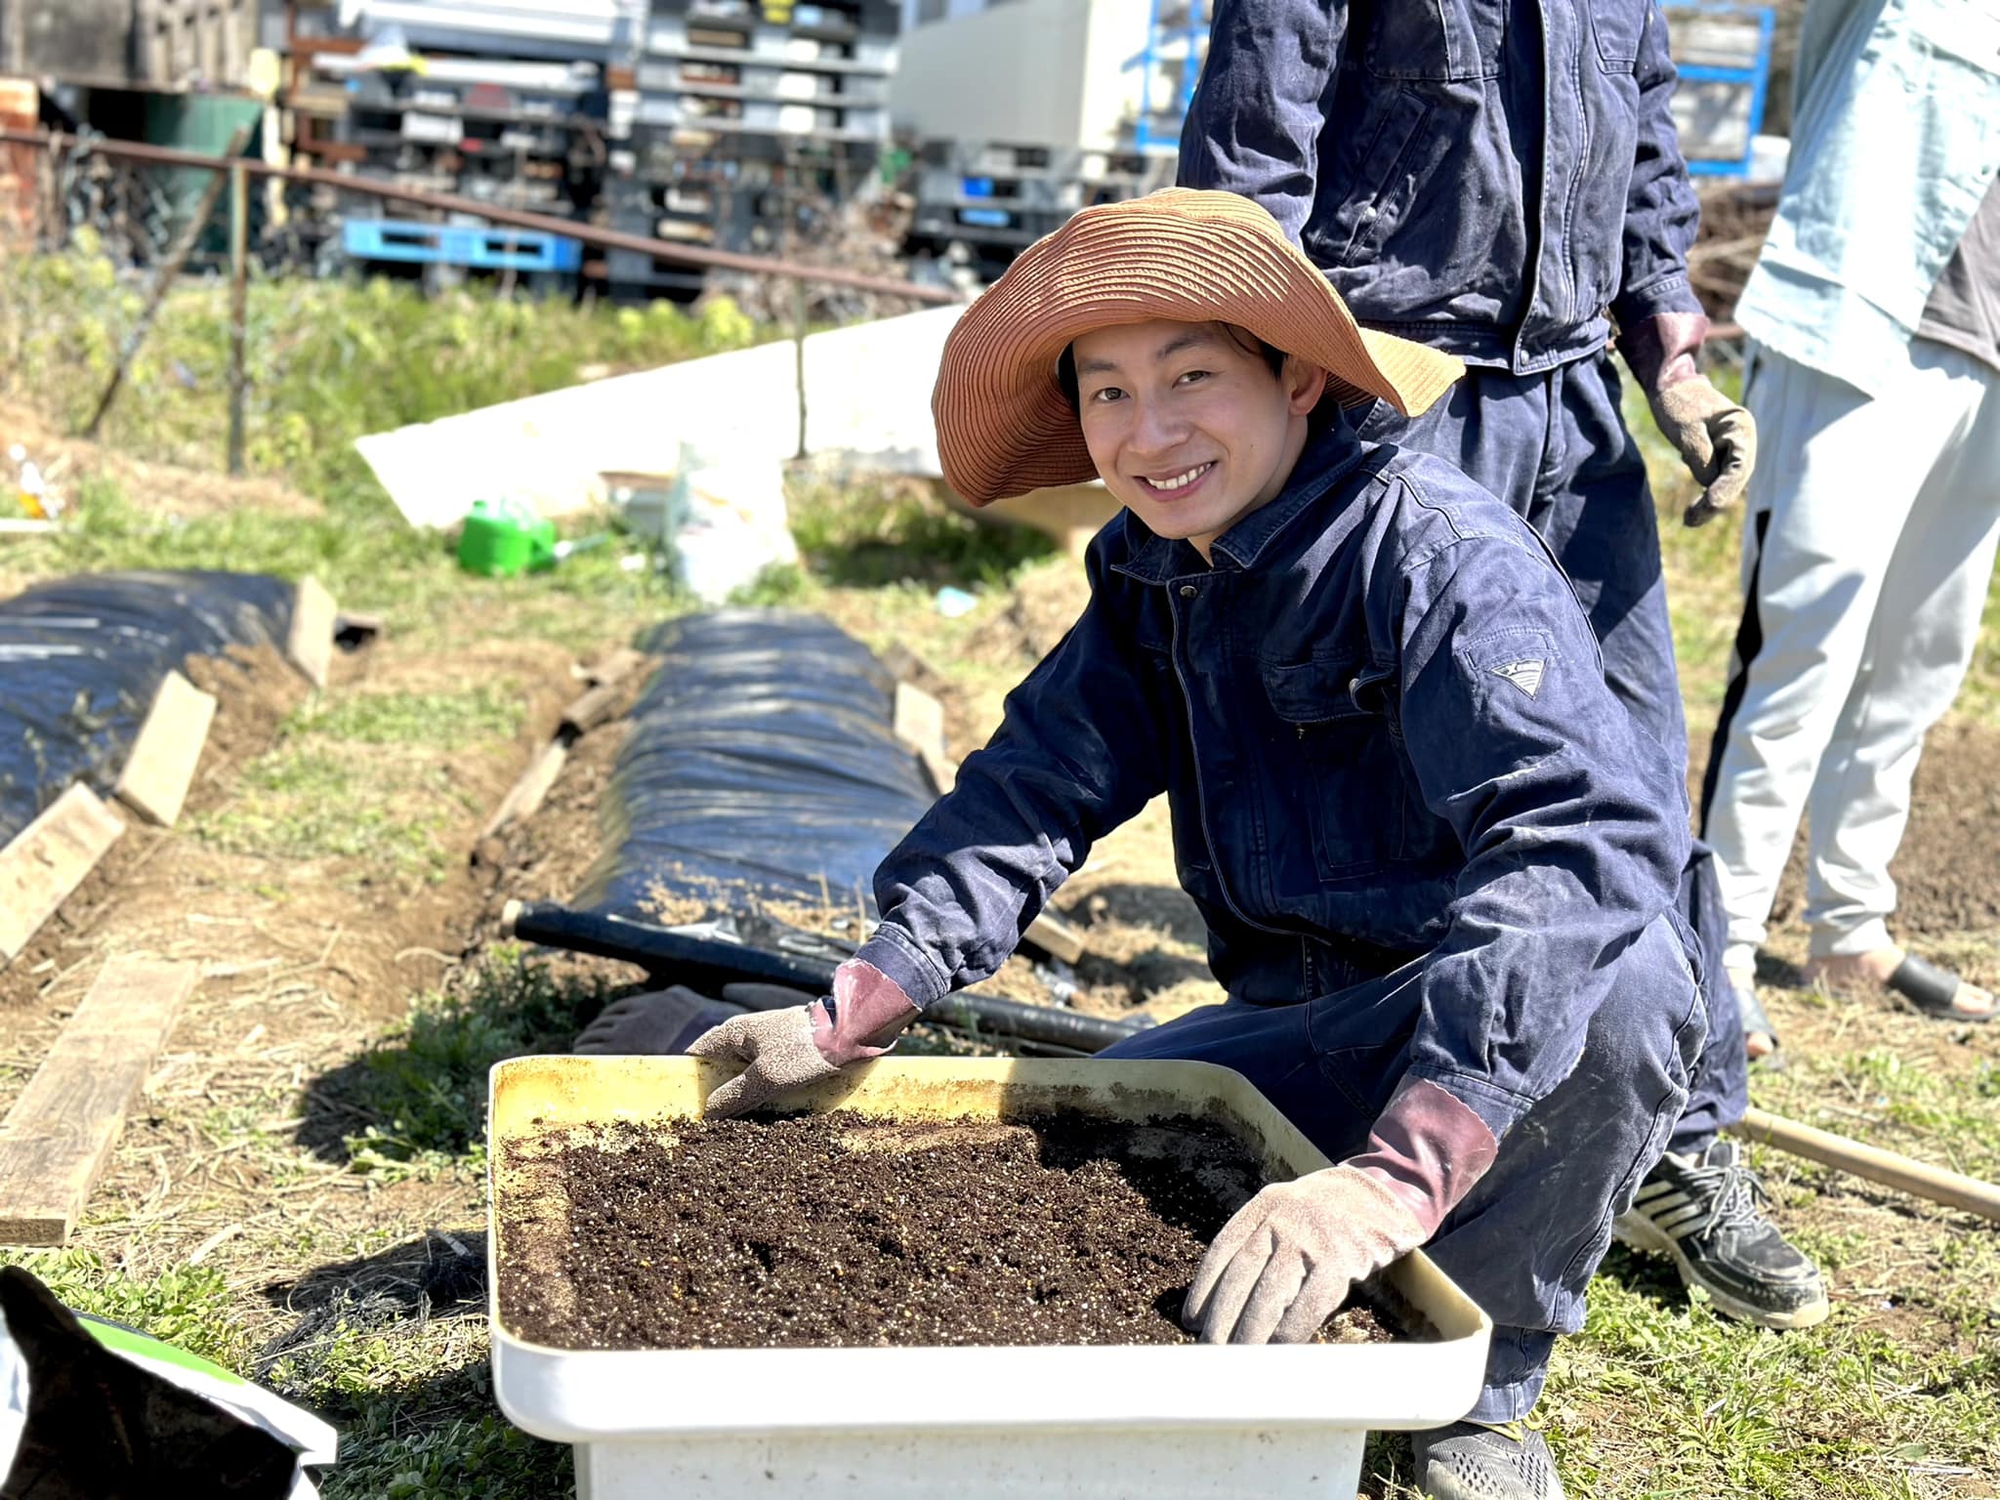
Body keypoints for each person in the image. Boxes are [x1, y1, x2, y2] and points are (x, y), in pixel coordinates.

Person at [687, 189, 1707, 1500]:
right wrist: (855, 1007)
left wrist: (1388, 1185)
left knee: (1626, 989)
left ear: (1295, 377)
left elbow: (1581, 844)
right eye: (1105, 393)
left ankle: (1476, 1389)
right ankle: (1341, 1216)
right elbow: (1033, 787)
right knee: (1054, 1147)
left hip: (1483, 1038)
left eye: (1191, 378)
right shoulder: (1152, 568)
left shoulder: (1440, 563)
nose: (1147, 433)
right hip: (1311, 1028)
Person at [1172, 0, 1829, 1330]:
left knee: (1629, 779)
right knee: (1396, 799)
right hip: (1386, 391)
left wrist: (1678, 370)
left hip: (1572, 407)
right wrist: (1255, 402)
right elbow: (1251, 158)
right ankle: (1379, 1139)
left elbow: (1644, 150)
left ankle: (1681, 1142)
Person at [1700, 0, 2000, 1027]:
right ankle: (1716, 940)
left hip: (1986, 361)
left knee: (1919, 660)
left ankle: (1848, 929)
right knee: (1797, 648)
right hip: (1856, 327)